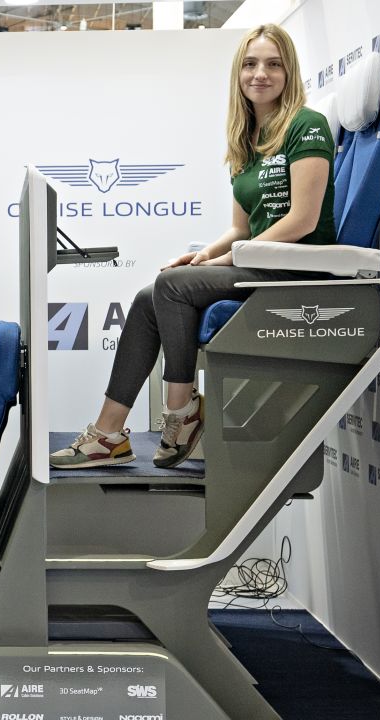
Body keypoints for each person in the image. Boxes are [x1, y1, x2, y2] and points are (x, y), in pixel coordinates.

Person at [51, 23, 336, 470]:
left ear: (289, 72)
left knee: (172, 288)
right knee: (154, 293)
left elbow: (303, 220)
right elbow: (240, 226)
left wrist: (229, 258)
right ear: (238, 74)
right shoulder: (248, 139)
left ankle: (181, 416)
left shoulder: (307, 125)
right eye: (250, 63)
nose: (260, 73)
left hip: (292, 270)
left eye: (273, 64)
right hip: (256, 263)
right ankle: (108, 434)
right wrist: (205, 255)